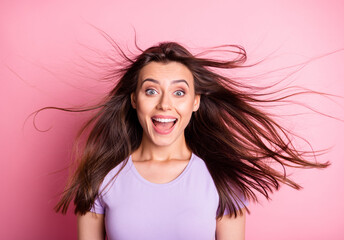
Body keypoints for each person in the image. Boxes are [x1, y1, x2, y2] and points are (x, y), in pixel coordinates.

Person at [53, 41, 329, 240]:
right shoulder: (101, 176)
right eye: (151, 91)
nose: (164, 105)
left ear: (195, 102)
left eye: (179, 93)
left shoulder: (221, 179)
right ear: (134, 100)